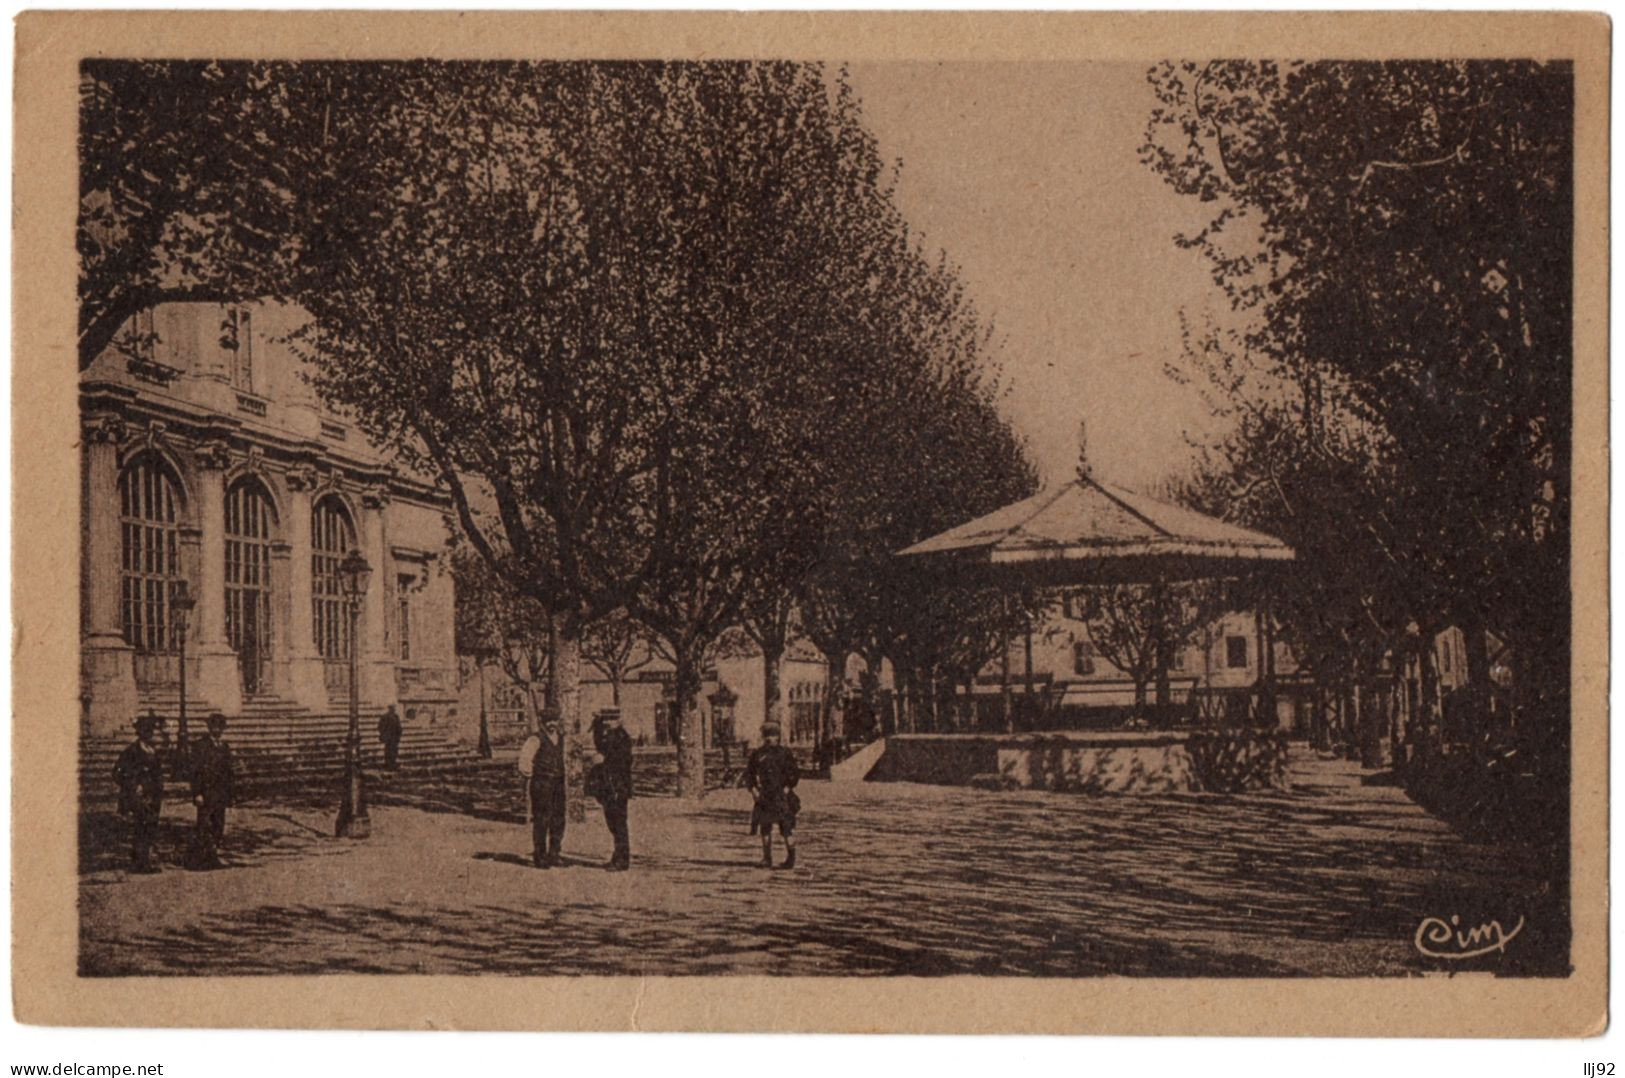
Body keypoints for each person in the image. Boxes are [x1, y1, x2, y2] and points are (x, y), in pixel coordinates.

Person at [113, 714, 166, 874]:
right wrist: (134, 785)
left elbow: (157, 774)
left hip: (153, 796)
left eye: (150, 730)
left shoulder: (153, 751)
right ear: (139, 732)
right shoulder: (131, 751)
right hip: (138, 797)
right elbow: (117, 773)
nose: (149, 733)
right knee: (140, 827)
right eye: (145, 730)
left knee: (150, 826)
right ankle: (139, 862)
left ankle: (146, 860)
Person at [745, 721, 800, 870]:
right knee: (765, 826)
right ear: (763, 737)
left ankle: (791, 858)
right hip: (765, 795)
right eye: (767, 735)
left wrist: (788, 787)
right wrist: (753, 791)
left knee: (787, 827)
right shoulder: (757, 754)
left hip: (783, 795)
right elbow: (749, 775)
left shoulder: (785, 753)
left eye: (774, 735)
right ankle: (767, 857)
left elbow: (794, 773)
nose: (770, 738)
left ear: (778, 737)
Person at [187, 712, 236, 869]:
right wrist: (197, 793)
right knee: (203, 826)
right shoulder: (200, 746)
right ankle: (200, 859)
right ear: (209, 728)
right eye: (214, 726)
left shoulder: (224, 747)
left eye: (220, 727)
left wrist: (230, 794)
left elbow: (229, 773)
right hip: (206, 793)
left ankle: (213, 856)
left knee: (218, 825)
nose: (217, 730)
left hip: (220, 793)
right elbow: (194, 772)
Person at [591, 708, 634, 871]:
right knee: (613, 823)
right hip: (610, 786)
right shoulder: (611, 735)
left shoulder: (621, 737)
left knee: (618, 823)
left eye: (610, 720)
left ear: (617, 720)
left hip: (618, 786)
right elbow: (599, 743)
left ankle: (622, 860)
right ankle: (618, 857)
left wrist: (603, 760)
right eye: (605, 720)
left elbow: (623, 762)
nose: (606, 723)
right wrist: (595, 724)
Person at [528, 710, 568, 868]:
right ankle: (540, 856)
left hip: (558, 782)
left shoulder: (561, 738)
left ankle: (554, 853)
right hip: (542, 783)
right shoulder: (535, 739)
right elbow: (525, 761)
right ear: (543, 722)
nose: (552, 724)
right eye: (548, 721)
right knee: (542, 819)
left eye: (555, 720)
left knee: (558, 818)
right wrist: (533, 777)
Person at [377, 705, 403, 770]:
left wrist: (399, 734)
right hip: (388, 737)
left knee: (394, 751)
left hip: (394, 737)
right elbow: (380, 726)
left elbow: (399, 727)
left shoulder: (396, 716)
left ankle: (393, 763)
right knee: (388, 751)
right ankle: (388, 764)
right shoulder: (385, 716)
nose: (393, 709)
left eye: (394, 708)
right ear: (389, 709)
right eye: (392, 708)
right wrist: (384, 734)